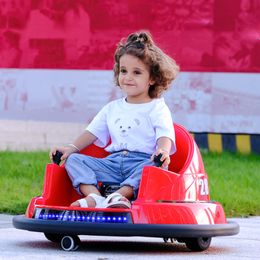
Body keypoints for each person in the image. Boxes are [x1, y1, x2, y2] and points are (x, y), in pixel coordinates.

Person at [50, 31, 179, 209]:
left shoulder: (157, 107)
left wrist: (162, 151)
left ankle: (119, 196)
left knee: (154, 168)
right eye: (123, 71)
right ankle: (94, 196)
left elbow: (165, 133)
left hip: (141, 162)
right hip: (112, 163)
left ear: (153, 78)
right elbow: (92, 132)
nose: (128, 77)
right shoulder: (112, 108)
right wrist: (70, 148)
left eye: (137, 72)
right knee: (73, 160)